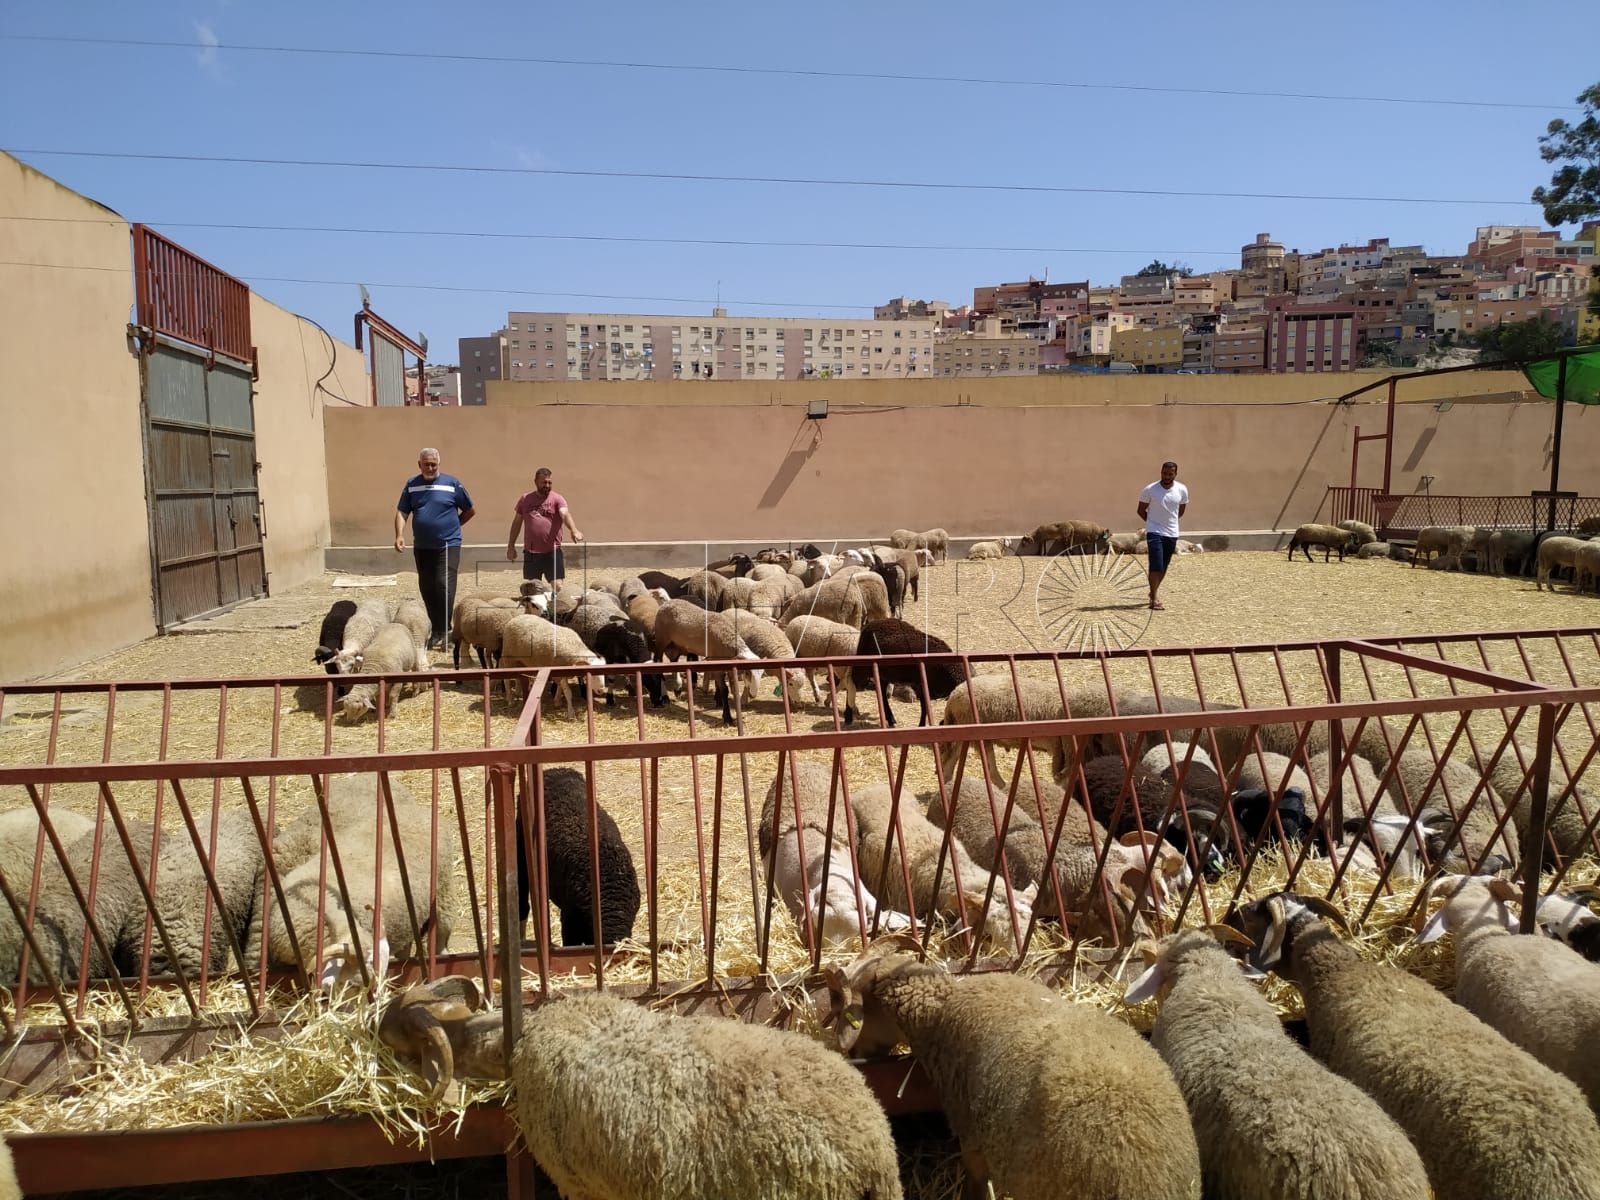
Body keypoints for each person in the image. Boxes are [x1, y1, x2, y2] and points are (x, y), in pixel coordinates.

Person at [394, 447, 475, 650]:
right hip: (422, 546)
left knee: (443, 584)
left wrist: (454, 525)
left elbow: (470, 510)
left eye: (433, 464)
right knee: (427, 586)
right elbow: (402, 512)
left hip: (448, 544)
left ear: (439, 464)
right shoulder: (412, 485)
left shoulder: (452, 484)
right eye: (426, 464)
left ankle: (444, 630)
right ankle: (436, 628)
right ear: (419, 464)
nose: (430, 468)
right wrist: (399, 535)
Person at [506, 466, 584, 594]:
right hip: (531, 552)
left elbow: (565, 514)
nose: (547, 485)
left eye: (549, 482)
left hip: (552, 551)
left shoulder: (557, 499)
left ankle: (554, 605)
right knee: (533, 589)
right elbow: (517, 523)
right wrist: (511, 546)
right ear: (535, 482)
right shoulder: (525, 499)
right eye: (544, 482)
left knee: (558, 587)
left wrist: (574, 529)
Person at [1136, 460, 1188, 611]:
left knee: (1164, 565)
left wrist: (1170, 522)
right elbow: (1140, 510)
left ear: (1175, 474)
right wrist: (1152, 523)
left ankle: (1153, 591)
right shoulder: (1150, 489)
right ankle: (1154, 598)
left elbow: (1180, 511)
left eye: (1170, 474)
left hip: (1171, 532)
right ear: (1161, 472)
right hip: (1154, 531)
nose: (1167, 477)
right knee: (1156, 564)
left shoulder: (1182, 489)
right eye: (1164, 473)